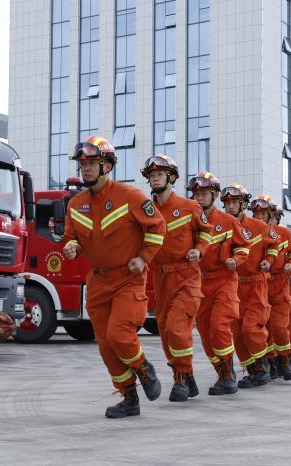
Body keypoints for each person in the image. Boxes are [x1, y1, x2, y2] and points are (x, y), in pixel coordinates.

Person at [63, 135, 167, 418]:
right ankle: (129, 398)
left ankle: (145, 368)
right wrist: (71, 247)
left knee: (119, 334)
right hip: (97, 281)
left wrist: (143, 258)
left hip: (128, 280)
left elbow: (157, 229)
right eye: (82, 163)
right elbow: (71, 237)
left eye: (92, 163)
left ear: (106, 165)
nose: (85, 168)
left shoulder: (130, 197)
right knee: (107, 346)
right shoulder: (75, 205)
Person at [141, 155, 214, 402]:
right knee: (165, 331)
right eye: (151, 176)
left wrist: (199, 250)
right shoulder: (146, 210)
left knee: (176, 327)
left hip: (186, 277)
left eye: (159, 175)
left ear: (171, 178)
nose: (154, 179)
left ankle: (181, 379)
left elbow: (206, 233)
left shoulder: (190, 207)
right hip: (160, 280)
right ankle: (187, 375)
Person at [188, 171, 250, 395]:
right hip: (198, 284)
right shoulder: (188, 219)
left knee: (219, 326)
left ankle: (228, 375)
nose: (199, 197)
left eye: (204, 193)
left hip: (224, 282)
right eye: (196, 193)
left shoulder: (228, 221)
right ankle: (221, 374)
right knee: (205, 333)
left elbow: (243, 247)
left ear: (213, 194)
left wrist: (237, 259)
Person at [221, 184, 277, 388]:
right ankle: (252, 370)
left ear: (243, 204)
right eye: (226, 203)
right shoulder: (221, 224)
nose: (230, 207)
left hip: (255, 285)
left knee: (251, 328)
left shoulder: (258, 226)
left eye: (234, 202)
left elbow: (273, 245)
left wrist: (268, 262)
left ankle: (263, 368)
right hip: (233, 285)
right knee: (236, 331)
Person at [249, 195, 291, 381]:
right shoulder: (251, 232)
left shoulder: (284, 233)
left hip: (280, 285)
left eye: (263, 213)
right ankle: (270, 363)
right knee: (263, 329)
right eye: (256, 213)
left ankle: (286, 361)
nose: (259, 217)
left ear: (272, 214)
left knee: (279, 327)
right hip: (259, 285)